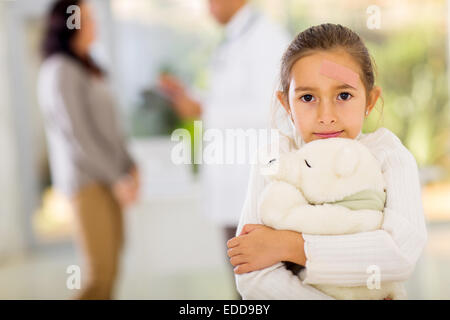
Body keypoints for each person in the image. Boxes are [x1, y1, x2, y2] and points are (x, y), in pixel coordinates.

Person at [226, 23, 428, 299]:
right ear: (286, 104)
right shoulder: (275, 160)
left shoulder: (388, 155)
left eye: (343, 95)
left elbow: (399, 254)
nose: (326, 116)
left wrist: (291, 245)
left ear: (370, 100)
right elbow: (251, 274)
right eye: (307, 97)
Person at [158, 0, 289, 299]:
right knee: (242, 283)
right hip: (232, 186)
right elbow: (226, 101)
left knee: (260, 286)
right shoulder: (234, 38)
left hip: (251, 186)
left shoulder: (266, 37)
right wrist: (188, 96)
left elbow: (269, 107)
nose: (207, 5)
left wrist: (202, 107)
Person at [38, 0, 139, 299]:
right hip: (88, 183)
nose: (94, 24)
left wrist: (130, 166)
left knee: (111, 274)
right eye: (88, 18)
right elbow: (79, 136)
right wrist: (118, 178)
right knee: (98, 276)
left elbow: (111, 126)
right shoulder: (60, 70)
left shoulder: (89, 66)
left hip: (111, 179)